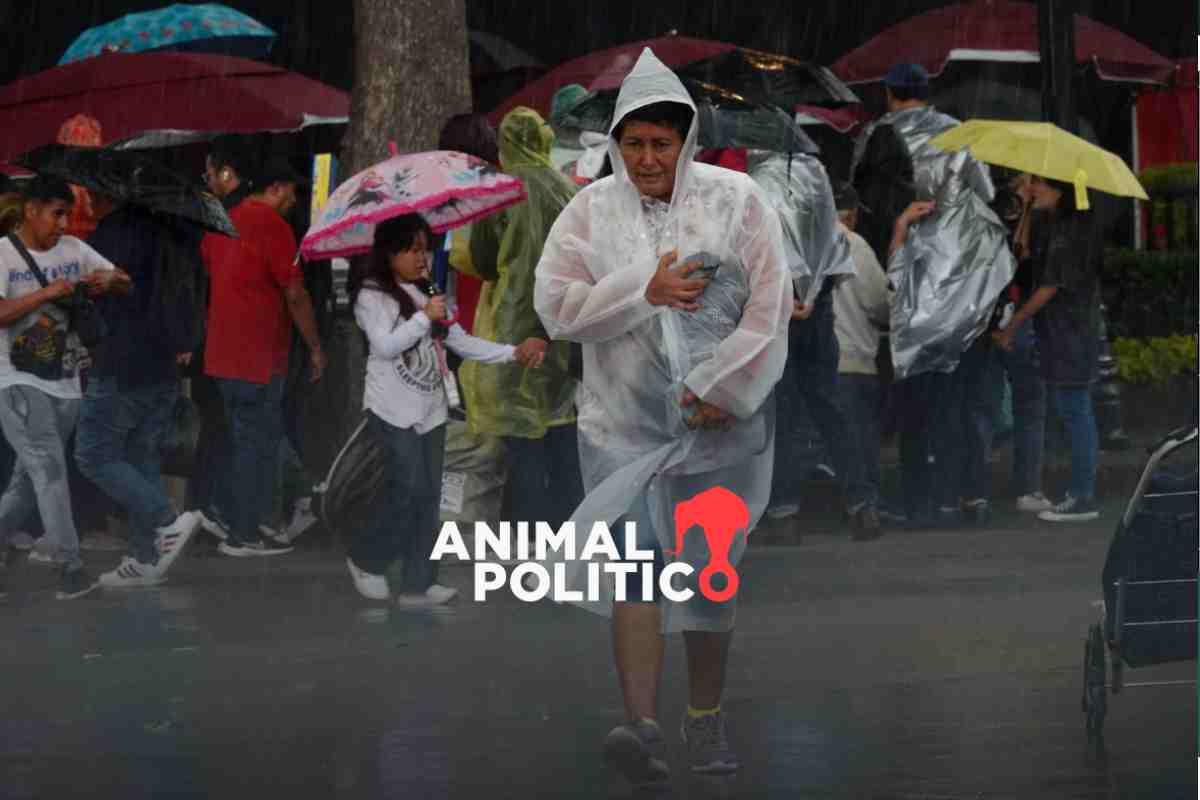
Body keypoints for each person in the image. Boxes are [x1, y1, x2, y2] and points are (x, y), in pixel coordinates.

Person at [534, 49, 791, 786]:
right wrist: (638, 290)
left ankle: (705, 720)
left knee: (709, 577)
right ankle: (641, 723)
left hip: (720, 434)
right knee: (638, 571)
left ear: (687, 144)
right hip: (623, 429)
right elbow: (556, 308)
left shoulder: (737, 201)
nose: (648, 159)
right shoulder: (589, 211)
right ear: (616, 142)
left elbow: (769, 310)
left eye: (662, 144)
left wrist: (721, 386)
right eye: (635, 143)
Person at [347, 214, 546, 604]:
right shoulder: (372, 295)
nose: (423, 257)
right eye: (413, 249)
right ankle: (367, 559)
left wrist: (511, 353)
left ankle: (418, 582)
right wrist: (425, 317)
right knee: (405, 486)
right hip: (391, 407)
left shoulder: (428, 292)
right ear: (390, 252)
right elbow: (385, 347)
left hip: (431, 408)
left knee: (428, 494)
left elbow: (460, 342)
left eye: (427, 247)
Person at [852, 63, 1014, 527]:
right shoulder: (960, 134)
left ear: (888, 93)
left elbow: (866, 207)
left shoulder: (875, 137)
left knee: (918, 403)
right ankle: (971, 496)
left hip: (916, 284)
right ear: (928, 93)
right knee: (968, 400)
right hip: (970, 282)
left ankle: (921, 502)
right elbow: (985, 191)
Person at [0, 176, 131, 599]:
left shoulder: (75, 249)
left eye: (67, 214)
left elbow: (124, 280)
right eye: (56, 213)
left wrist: (110, 282)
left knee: (27, 482)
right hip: (15, 381)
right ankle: (70, 569)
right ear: (30, 210)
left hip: (67, 382)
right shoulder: (2, 254)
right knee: (51, 471)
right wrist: (46, 293)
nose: (63, 223)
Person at [459, 107, 583, 531]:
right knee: (561, 429)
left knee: (521, 434)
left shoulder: (502, 192)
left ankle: (533, 534)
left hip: (513, 322)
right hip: (563, 326)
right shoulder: (570, 190)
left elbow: (482, 259)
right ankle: (575, 532)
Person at [197, 158, 327, 556]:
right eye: (291, 192)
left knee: (247, 440)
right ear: (275, 188)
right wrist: (316, 346)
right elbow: (294, 293)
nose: (293, 200)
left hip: (222, 355)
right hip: (258, 357)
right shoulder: (273, 226)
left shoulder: (221, 222)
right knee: (255, 446)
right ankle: (245, 534)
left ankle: (257, 517)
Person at [74, 197, 203, 587]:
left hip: (121, 358)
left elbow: (95, 287)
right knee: (140, 456)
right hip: (163, 362)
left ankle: (167, 520)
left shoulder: (115, 230)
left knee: (92, 454)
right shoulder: (179, 230)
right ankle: (144, 558)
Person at [746, 150, 868, 533]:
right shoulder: (814, 179)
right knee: (831, 407)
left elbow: (757, 253)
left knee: (782, 414)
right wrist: (812, 297)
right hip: (817, 315)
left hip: (780, 318)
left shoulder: (758, 181)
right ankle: (862, 503)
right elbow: (834, 255)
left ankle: (783, 510)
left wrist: (784, 300)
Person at [993, 175, 1102, 522]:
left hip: (1071, 332)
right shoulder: (1055, 223)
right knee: (1073, 410)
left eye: (1038, 184)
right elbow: (1020, 252)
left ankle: (1082, 496)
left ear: (1059, 190)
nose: (1032, 189)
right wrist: (1026, 207)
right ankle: (1080, 492)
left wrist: (1014, 324)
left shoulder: (1069, 231)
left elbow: (1049, 286)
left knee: (1075, 411)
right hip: (1063, 333)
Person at [831, 183, 891, 537]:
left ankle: (783, 513)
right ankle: (864, 507)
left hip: (809, 363)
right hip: (853, 359)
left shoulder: (798, 244)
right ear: (851, 213)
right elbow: (880, 303)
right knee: (859, 439)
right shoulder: (855, 245)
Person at [991, 173, 1052, 512]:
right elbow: (1020, 255)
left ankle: (981, 487)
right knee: (1029, 405)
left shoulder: (1016, 214)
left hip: (1008, 321)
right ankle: (1026, 487)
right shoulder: (1024, 216)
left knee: (1011, 403)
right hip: (1015, 321)